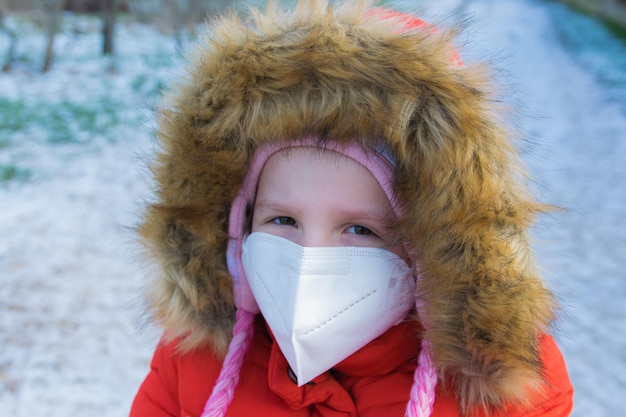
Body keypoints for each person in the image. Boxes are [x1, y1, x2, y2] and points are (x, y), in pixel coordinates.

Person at [129, 1, 574, 416]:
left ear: (429, 249)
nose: (309, 257)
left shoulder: (502, 398)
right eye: (283, 220)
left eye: (360, 229)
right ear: (238, 226)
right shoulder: (191, 361)